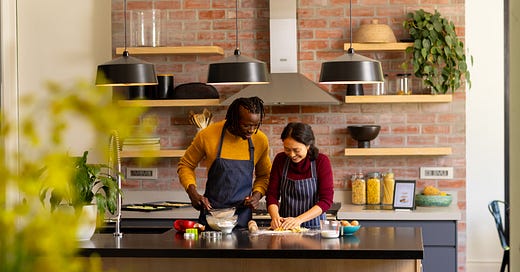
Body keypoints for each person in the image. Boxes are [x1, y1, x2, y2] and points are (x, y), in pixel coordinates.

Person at [177, 97, 271, 229]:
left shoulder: (260, 140)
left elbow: (264, 175)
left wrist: (257, 195)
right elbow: (186, 165)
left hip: (242, 217)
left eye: (256, 125)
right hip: (212, 216)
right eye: (246, 125)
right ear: (233, 120)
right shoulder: (208, 135)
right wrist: (193, 193)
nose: (251, 130)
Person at [266, 122, 334, 230]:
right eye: (287, 149)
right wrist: (275, 218)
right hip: (285, 227)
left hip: (314, 227)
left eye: (296, 150)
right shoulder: (280, 160)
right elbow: (272, 195)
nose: (292, 155)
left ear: (308, 146)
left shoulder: (321, 161)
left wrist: (298, 220)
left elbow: (326, 200)